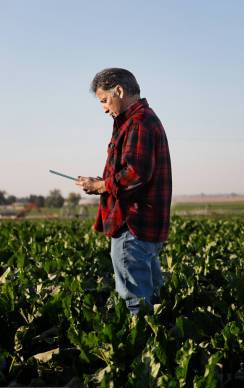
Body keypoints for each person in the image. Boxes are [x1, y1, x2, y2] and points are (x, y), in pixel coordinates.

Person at [76, 68, 172, 315]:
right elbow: (133, 172)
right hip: (145, 225)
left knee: (135, 301)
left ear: (119, 90)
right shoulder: (140, 120)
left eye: (104, 101)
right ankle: (156, 339)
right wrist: (103, 182)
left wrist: (100, 185)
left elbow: (135, 174)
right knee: (151, 295)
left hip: (134, 224)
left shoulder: (139, 123)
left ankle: (141, 348)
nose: (104, 109)